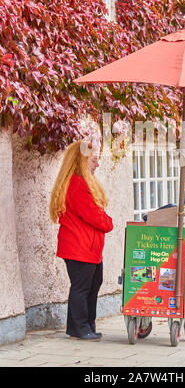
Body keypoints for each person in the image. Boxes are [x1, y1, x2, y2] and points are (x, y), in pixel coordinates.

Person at [49, 139, 113, 340]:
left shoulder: (81, 182)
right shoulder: (77, 183)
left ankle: (87, 325)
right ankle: (79, 328)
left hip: (88, 248)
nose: (97, 164)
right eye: (94, 160)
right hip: (79, 248)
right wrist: (109, 221)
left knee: (92, 284)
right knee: (82, 287)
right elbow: (94, 215)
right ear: (81, 161)